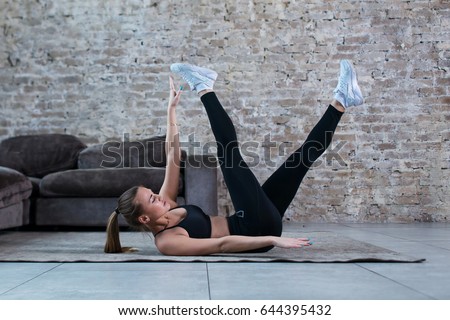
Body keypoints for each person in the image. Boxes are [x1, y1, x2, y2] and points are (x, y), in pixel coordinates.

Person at [104, 60, 364, 256]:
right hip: (255, 231)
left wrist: (170, 111)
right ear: (144, 219)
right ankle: (204, 87)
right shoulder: (167, 242)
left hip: (249, 219)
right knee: (228, 154)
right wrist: (272, 240)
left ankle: (341, 101)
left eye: (153, 192)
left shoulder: (168, 205)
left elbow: (173, 155)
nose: (158, 196)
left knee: (299, 161)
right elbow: (221, 243)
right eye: (152, 199)